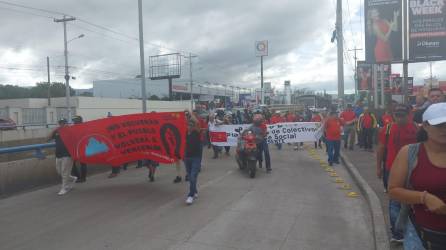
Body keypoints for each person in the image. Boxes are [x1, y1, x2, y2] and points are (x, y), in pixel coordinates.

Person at [389, 103, 446, 250]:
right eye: (440, 125)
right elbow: (394, 190)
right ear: (425, 126)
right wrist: (424, 198)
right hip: (422, 235)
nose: (444, 129)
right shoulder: (409, 153)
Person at [376, 104, 418, 243]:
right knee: (398, 201)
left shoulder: (417, 129)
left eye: (402, 115)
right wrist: (379, 167)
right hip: (394, 169)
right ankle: (399, 233)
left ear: (409, 114)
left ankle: (404, 232)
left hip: (409, 169)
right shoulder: (387, 129)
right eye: (397, 115)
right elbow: (381, 149)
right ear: (393, 115)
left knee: (405, 201)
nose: (400, 118)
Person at [48, 118, 76, 195]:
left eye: (64, 123)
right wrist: (54, 130)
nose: (62, 124)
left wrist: (74, 154)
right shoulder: (57, 131)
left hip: (67, 155)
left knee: (64, 172)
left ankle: (64, 188)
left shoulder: (71, 131)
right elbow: (48, 139)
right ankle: (73, 178)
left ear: (66, 123)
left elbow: (76, 141)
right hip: (58, 154)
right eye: (60, 123)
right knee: (59, 172)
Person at [184, 119, 202, 205]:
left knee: (192, 176)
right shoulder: (185, 134)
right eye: (188, 125)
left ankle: (190, 196)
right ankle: (194, 191)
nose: (189, 127)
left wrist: (189, 112)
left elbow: (197, 123)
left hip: (196, 158)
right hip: (187, 158)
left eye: (191, 125)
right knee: (191, 177)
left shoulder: (196, 133)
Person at [70, 115, 88, 183]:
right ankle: (78, 177)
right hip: (74, 147)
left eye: (76, 120)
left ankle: (83, 178)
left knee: (83, 163)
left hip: (82, 147)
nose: (74, 121)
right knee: (72, 163)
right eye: (74, 120)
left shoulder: (83, 127)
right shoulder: (72, 128)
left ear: (80, 120)